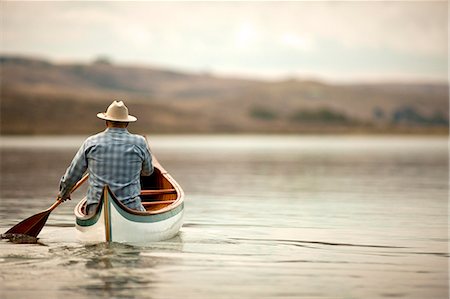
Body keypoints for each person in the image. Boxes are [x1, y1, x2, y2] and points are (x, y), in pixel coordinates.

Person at [58, 100, 153, 214]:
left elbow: (73, 174)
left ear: (107, 122)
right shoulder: (140, 142)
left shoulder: (91, 142)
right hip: (130, 206)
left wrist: (64, 192)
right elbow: (148, 172)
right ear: (127, 123)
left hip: (95, 207)